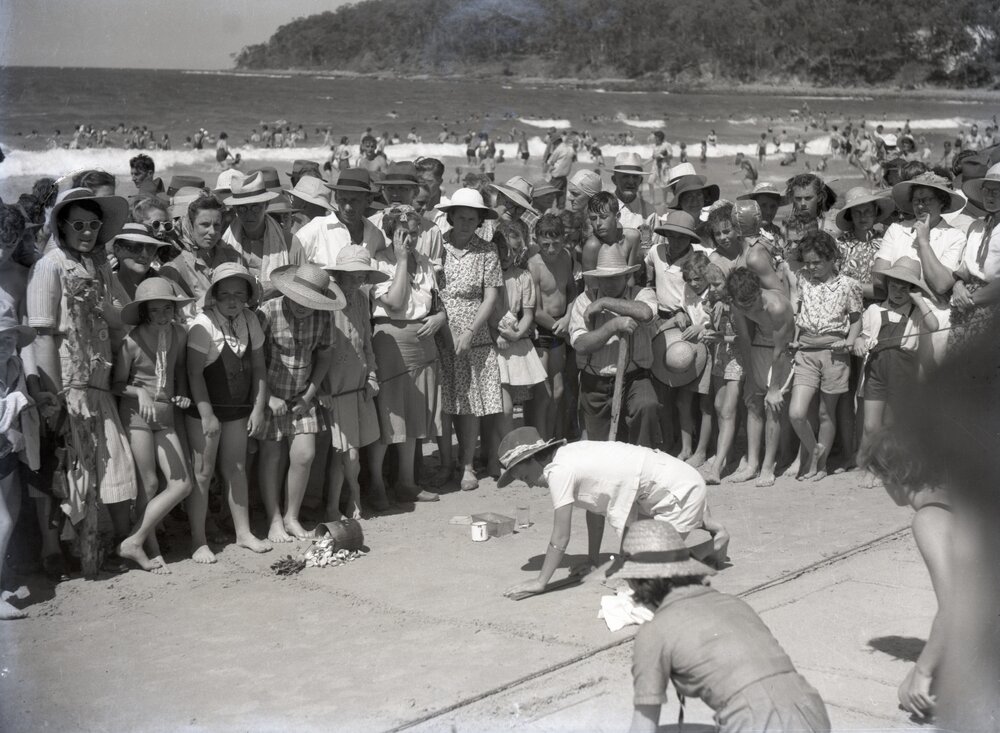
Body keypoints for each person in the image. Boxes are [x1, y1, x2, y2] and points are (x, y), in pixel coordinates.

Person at [615, 520, 830, 733]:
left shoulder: (654, 631)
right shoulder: (734, 603)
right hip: (812, 712)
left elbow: (643, 726)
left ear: (635, 582)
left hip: (753, 723)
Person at [27, 188, 136, 574]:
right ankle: (60, 552)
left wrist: (109, 311)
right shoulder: (50, 265)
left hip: (99, 381)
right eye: (79, 225)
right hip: (68, 384)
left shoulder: (100, 266)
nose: (87, 232)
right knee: (69, 473)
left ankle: (108, 547)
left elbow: (124, 318)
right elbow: (42, 334)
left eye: (93, 225)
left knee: (111, 468)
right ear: (62, 226)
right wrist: (54, 396)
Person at [498, 428, 729, 600]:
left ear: (532, 460)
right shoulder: (567, 454)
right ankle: (702, 522)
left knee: (650, 579)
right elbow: (594, 510)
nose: (529, 486)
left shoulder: (558, 472)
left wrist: (540, 582)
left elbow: (560, 536)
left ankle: (715, 545)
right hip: (665, 487)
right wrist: (592, 559)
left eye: (525, 477)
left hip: (679, 490)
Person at [857, 429, 951, 721]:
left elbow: (956, 607)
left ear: (893, 477)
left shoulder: (929, 519)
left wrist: (922, 670)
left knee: (911, 692)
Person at [185, 263, 270, 562]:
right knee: (203, 473)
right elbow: (195, 374)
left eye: (238, 294)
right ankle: (198, 539)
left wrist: (258, 409)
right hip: (205, 410)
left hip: (236, 409)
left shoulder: (250, 320)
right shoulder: (202, 324)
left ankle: (244, 532)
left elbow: (259, 367)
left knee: (236, 468)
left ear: (247, 296)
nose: (232, 300)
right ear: (213, 296)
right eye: (224, 295)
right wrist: (207, 415)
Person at [112, 278, 193, 573]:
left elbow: (180, 369)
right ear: (145, 313)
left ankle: (133, 540)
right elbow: (117, 384)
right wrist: (141, 391)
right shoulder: (131, 341)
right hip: (137, 415)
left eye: (167, 309)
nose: (163, 316)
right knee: (149, 483)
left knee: (181, 484)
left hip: (166, 415)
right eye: (156, 311)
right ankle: (150, 547)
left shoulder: (179, 334)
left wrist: (182, 394)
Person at [257, 263, 341, 539]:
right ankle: (273, 520)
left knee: (304, 455)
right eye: (298, 298)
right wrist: (267, 397)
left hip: (302, 396)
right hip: (270, 395)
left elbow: (324, 356)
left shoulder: (324, 318)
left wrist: (309, 394)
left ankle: (291, 516)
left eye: (310, 301)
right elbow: (254, 358)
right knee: (271, 455)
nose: (303, 305)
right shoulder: (268, 312)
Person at [369, 205, 445, 503]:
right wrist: (401, 260)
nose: (409, 240)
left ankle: (406, 482)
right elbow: (397, 302)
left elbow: (436, 303)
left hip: (422, 341)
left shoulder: (425, 262)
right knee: (389, 417)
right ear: (390, 232)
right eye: (403, 234)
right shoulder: (380, 262)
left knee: (414, 416)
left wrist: (441, 318)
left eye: (414, 233)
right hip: (391, 341)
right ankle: (376, 484)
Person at [434, 188, 504, 492]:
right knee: (443, 402)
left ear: (479, 221)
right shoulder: (437, 246)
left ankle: (465, 464)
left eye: (471, 218)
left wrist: (471, 331)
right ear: (450, 217)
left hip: (474, 330)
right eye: (460, 217)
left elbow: (490, 297)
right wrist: (442, 322)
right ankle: (445, 463)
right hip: (440, 327)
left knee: (471, 401)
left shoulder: (487, 250)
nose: (465, 222)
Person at [788, 231, 863, 481]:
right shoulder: (802, 279)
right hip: (806, 352)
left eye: (816, 262)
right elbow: (800, 310)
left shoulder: (849, 285)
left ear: (831, 258)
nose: (810, 267)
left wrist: (850, 342)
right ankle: (815, 450)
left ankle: (818, 467)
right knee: (797, 413)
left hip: (834, 353)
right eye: (807, 262)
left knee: (825, 413)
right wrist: (796, 337)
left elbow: (855, 319)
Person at [570, 247, 661, 446]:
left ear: (627, 276)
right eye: (605, 278)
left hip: (634, 377)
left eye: (616, 277)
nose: (610, 282)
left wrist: (605, 302)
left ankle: (642, 466)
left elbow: (645, 313)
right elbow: (581, 345)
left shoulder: (642, 293)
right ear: (598, 279)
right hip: (595, 381)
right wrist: (612, 326)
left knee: (647, 406)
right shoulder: (583, 300)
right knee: (599, 448)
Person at [873, 173, 966, 364]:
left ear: (941, 201)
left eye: (927, 200)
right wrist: (925, 289)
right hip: (895, 318)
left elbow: (941, 285)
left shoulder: (954, 236)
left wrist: (923, 241)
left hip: (933, 322)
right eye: (916, 201)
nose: (921, 206)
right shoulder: (897, 230)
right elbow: (879, 278)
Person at [853, 258, 937, 465]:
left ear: (912, 290)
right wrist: (858, 342)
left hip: (902, 375)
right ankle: (865, 464)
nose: (897, 292)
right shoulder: (874, 311)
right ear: (887, 285)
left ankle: (886, 466)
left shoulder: (916, 314)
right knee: (871, 427)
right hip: (876, 374)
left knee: (891, 424)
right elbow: (862, 336)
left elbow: (934, 325)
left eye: (903, 288)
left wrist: (919, 299)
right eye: (893, 286)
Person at [325, 246, 386, 516]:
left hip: (358, 384)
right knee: (345, 452)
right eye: (352, 275)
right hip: (333, 388)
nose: (358, 280)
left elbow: (366, 342)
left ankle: (340, 503)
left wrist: (372, 373)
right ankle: (352, 498)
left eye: (362, 275)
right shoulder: (325, 298)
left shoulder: (362, 299)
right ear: (339, 274)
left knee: (352, 451)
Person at [726, 267, 794, 487]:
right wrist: (750, 373)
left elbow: (781, 350)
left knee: (772, 406)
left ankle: (767, 466)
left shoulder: (777, 306)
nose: (750, 308)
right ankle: (752, 465)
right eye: (743, 305)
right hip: (758, 347)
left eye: (752, 302)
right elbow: (744, 338)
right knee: (753, 402)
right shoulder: (738, 304)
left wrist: (773, 388)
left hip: (782, 351)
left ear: (758, 290)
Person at [491, 225, 546, 473]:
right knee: (503, 407)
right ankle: (504, 454)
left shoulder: (522, 276)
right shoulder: (488, 275)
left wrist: (517, 333)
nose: (505, 254)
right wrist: (496, 334)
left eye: (511, 249)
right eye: (501, 248)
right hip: (491, 340)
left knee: (515, 405)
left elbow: (528, 313)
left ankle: (514, 452)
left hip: (514, 340)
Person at [526, 213, 576, 440]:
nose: (552, 249)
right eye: (546, 244)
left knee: (559, 391)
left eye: (556, 243)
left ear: (563, 239)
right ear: (537, 240)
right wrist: (560, 326)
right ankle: (540, 440)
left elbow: (572, 291)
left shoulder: (567, 257)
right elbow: (535, 309)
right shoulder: (534, 265)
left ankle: (554, 438)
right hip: (542, 331)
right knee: (542, 393)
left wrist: (567, 318)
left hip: (561, 326)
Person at [0, 318, 37, 618]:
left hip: (5, 451)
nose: (4, 345)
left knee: (10, 514)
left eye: (9, 339)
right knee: (2, 521)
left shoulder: (12, 365)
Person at [947, 162, 1000, 350]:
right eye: (987, 191)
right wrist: (958, 286)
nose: (990, 196)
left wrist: (972, 300)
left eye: (997, 191)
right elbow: (963, 269)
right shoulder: (976, 227)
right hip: (965, 306)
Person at [291, 168, 386, 268]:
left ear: (369, 200)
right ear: (336, 198)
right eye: (343, 200)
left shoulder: (375, 235)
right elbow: (290, 265)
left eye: (354, 201)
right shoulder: (317, 229)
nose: (347, 207)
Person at [219, 171, 289, 296]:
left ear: (266, 205)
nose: (249, 214)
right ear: (235, 209)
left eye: (255, 207)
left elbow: (302, 286)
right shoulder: (223, 244)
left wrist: (276, 287)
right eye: (242, 208)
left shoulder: (289, 242)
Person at [369, 162, 443, 266]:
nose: (395, 194)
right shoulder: (371, 225)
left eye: (403, 189)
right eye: (390, 188)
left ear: (416, 192)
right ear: (383, 191)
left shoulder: (431, 232)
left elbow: (435, 272)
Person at [581, 192, 642, 274]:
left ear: (617, 216)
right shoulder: (592, 246)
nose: (598, 223)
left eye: (603, 217)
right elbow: (592, 285)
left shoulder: (632, 237)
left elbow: (630, 279)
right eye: (593, 218)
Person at [611, 152, 655, 230]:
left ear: (640, 181)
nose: (631, 182)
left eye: (635, 176)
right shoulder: (602, 209)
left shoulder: (650, 212)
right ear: (614, 180)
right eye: (625, 176)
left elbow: (657, 242)